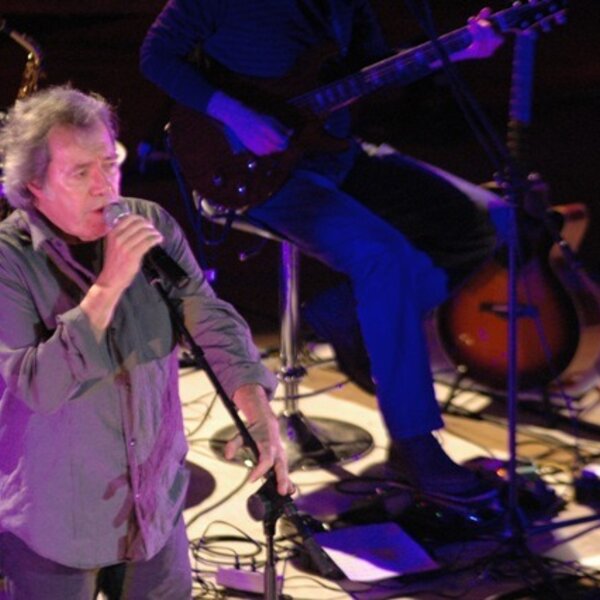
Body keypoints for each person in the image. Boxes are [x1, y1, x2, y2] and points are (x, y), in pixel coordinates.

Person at [140, 1, 509, 501]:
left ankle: (349, 314)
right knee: (381, 256)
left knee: (490, 220)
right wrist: (236, 115)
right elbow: (156, 56)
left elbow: (372, 70)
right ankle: (414, 444)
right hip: (250, 166)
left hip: (334, 153)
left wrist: (457, 51)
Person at [0, 85, 294, 599]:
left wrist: (255, 406)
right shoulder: (8, 261)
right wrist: (108, 286)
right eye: (80, 173)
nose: (105, 186)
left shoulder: (149, 222)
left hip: (154, 510)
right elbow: (39, 386)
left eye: (109, 164)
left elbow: (208, 317)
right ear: (33, 186)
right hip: (55, 526)